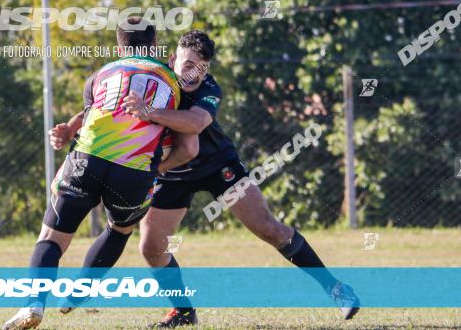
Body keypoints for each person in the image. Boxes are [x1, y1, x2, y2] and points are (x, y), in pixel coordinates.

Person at [53, 30, 360, 328]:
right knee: (151, 246)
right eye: (187, 64)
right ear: (172, 59)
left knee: (268, 228)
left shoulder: (208, 88)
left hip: (217, 166)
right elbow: (107, 105)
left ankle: (336, 289)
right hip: (171, 173)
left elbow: (196, 122)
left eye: (201, 67)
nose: (193, 74)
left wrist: (150, 113)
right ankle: (183, 311)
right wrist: (70, 126)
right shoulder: (154, 77)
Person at [2, 17, 198, 330]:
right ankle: (81, 289)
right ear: (154, 45)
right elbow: (189, 149)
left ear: (120, 46)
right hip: (133, 172)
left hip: (87, 159)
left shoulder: (101, 74)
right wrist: (156, 167)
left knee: (51, 238)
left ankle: (34, 304)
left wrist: (67, 130)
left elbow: (94, 114)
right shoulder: (175, 83)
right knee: (119, 230)